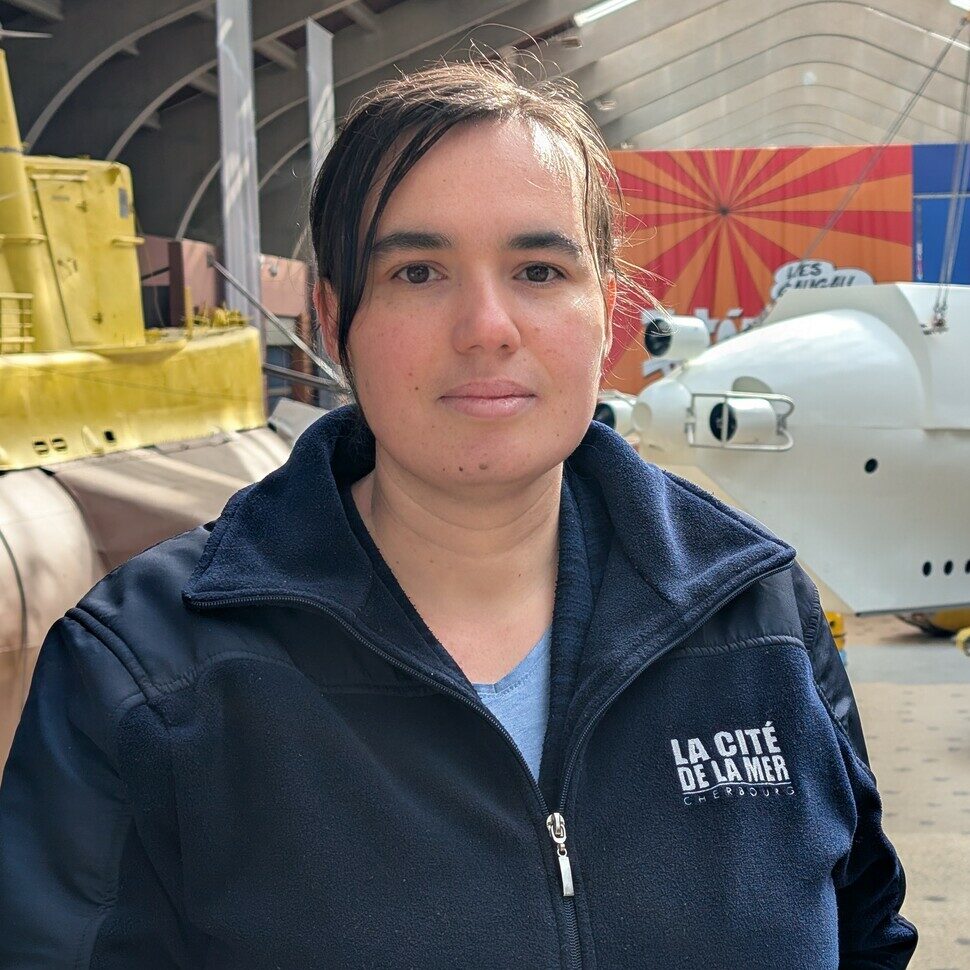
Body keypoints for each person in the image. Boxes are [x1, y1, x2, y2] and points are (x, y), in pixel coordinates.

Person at [0, 62, 916, 969]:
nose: (487, 326)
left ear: (608, 312)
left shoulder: (757, 618)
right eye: (419, 270)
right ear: (332, 318)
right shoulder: (146, 674)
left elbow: (864, 933)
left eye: (539, 268)